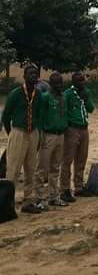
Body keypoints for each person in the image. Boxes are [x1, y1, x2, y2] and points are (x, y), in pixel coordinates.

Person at [1, 65, 45, 213]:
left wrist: (37, 136)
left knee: (31, 169)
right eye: (30, 73)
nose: (33, 76)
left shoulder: (38, 95)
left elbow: (38, 116)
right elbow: (6, 116)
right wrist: (12, 134)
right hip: (18, 132)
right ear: (24, 76)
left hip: (33, 133)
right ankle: (7, 204)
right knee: (13, 169)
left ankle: (28, 201)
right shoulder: (16, 94)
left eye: (35, 74)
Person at [34, 71, 69, 209]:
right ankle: (39, 198)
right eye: (56, 84)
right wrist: (40, 136)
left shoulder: (64, 97)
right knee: (42, 167)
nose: (59, 86)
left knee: (55, 167)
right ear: (51, 84)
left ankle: (54, 196)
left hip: (61, 134)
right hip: (48, 135)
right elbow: (41, 117)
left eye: (61, 83)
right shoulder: (45, 97)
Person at [60, 72, 94, 202]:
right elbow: (64, 111)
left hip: (84, 128)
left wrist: (86, 99)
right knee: (68, 159)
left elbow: (91, 109)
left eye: (83, 81)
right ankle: (65, 189)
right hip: (72, 128)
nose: (82, 83)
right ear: (73, 82)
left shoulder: (86, 93)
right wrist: (66, 127)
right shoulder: (68, 94)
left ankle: (79, 186)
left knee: (81, 158)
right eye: (79, 81)